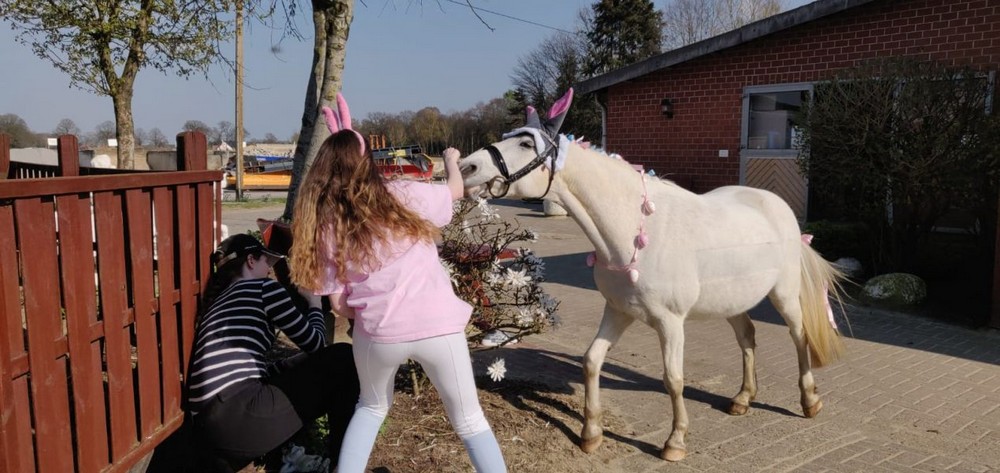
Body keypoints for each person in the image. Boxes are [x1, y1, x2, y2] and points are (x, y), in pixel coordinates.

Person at [289, 93, 507, 473]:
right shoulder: (404, 193)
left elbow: (338, 305)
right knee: (470, 422)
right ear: (366, 160)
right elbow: (455, 191)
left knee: (370, 408)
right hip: (438, 327)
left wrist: (365, 305)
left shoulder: (328, 222)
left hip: (378, 335)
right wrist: (451, 161)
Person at [186, 233, 360, 472]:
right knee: (344, 358)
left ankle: (285, 460)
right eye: (265, 262)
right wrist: (314, 303)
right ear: (250, 260)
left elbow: (246, 373)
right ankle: (344, 466)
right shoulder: (262, 288)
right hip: (238, 417)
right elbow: (317, 343)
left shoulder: (217, 303)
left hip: (208, 433)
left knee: (294, 368)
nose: (269, 270)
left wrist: (293, 363)